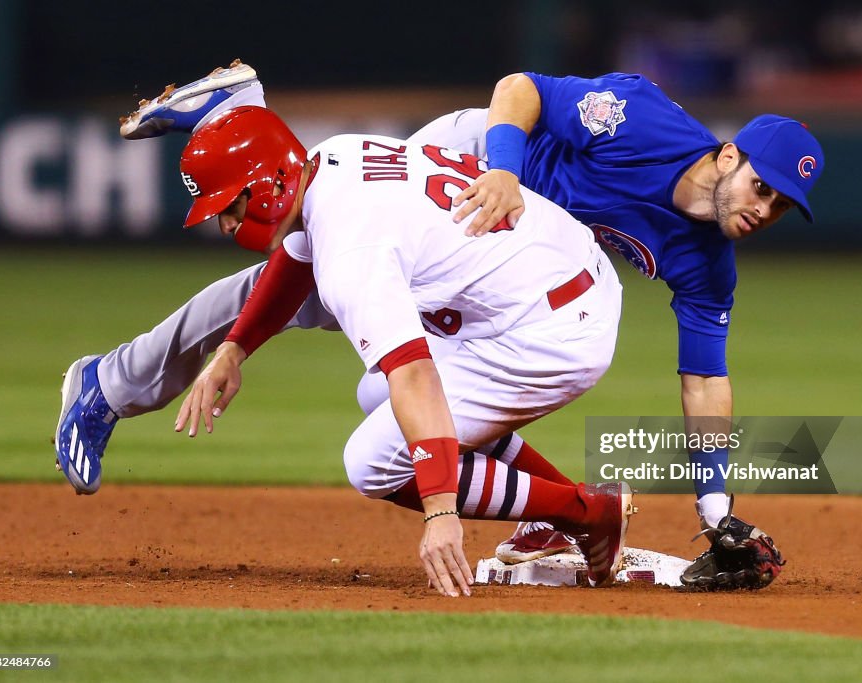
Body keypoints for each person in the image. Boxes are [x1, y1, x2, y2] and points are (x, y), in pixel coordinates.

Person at [57, 60, 818, 589]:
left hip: (508, 264)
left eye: (781, 205)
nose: (764, 208)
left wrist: (715, 509)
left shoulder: (709, 262)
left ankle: (576, 514)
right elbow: (520, 89)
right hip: (475, 167)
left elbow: (705, 381)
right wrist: (504, 167)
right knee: (302, 255)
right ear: (730, 154)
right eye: (762, 184)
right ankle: (110, 378)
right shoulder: (642, 122)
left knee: (344, 321)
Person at [176, 105, 630, 595]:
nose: (225, 225)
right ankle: (567, 510)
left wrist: (440, 511)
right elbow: (299, 253)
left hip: (553, 333)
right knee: (377, 393)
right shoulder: (333, 156)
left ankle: (588, 514)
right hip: (558, 272)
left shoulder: (352, 254)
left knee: (372, 462)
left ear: (268, 184)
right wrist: (234, 349)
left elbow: (415, 376)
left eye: (230, 207)